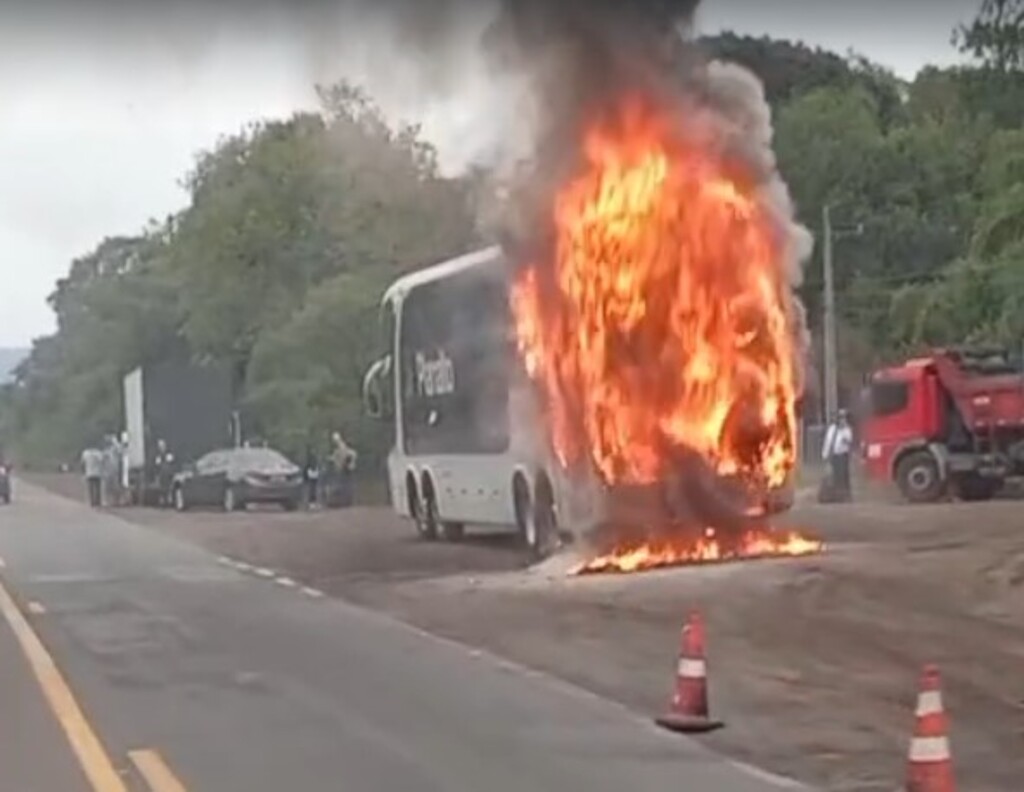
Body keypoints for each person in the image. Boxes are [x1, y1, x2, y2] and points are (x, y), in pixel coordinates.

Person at [821, 409, 854, 502]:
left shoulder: (847, 430)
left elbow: (849, 441)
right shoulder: (832, 429)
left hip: (842, 456)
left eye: (843, 418)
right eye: (840, 418)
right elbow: (828, 442)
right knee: (833, 476)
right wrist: (825, 455)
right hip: (833, 456)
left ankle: (845, 495)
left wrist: (845, 438)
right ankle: (834, 495)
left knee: (843, 476)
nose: (842, 420)